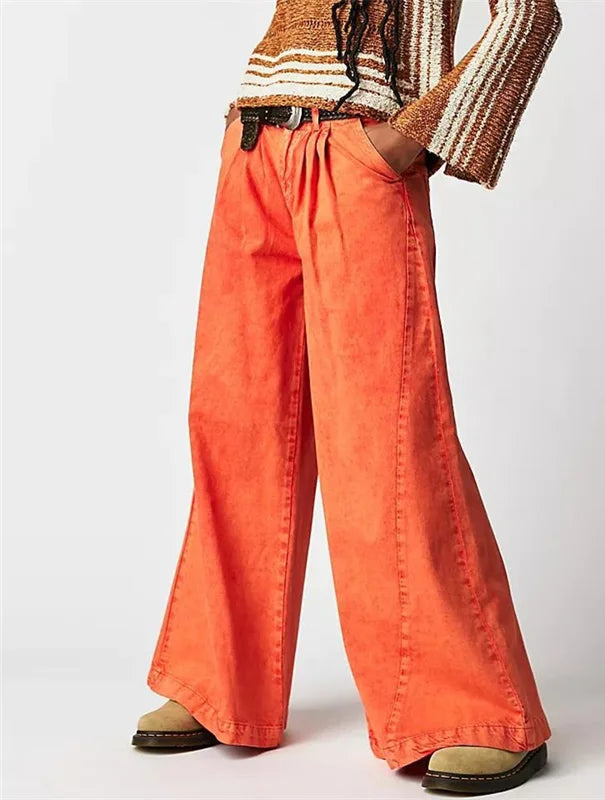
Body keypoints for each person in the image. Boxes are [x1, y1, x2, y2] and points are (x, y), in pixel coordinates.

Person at [131, 0, 562, 794]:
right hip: (254, 143)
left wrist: (410, 135)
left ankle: (474, 709)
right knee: (235, 424)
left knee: (384, 435)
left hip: (355, 153)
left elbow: (530, 15)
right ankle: (217, 680)